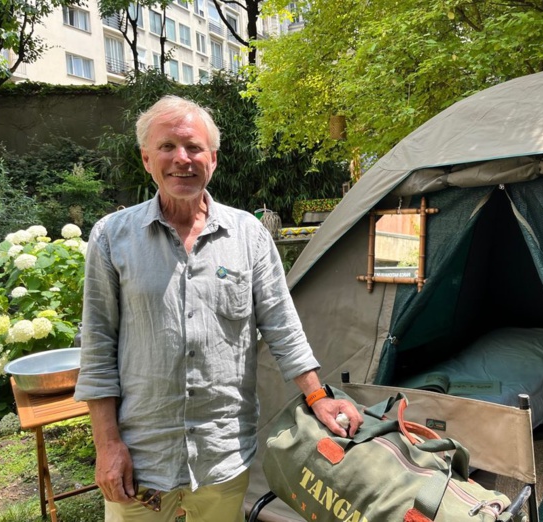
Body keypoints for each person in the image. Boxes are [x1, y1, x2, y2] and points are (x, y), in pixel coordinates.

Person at [74, 95, 363, 522]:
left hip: (222, 456)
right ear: (146, 159)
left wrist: (319, 396)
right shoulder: (111, 237)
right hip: (141, 458)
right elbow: (97, 349)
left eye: (194, 148)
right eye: (168, 147)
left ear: (213, 158)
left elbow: (282, 326)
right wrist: (107, 445)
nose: (182, 159)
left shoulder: (248, 235)